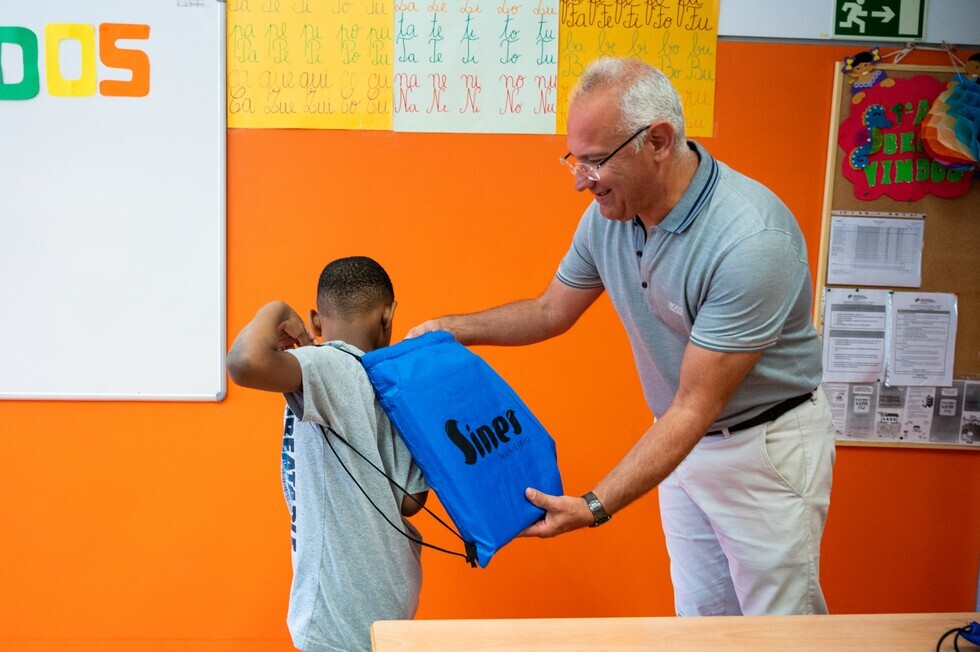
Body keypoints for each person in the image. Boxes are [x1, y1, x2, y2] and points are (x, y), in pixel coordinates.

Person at [407, 57, 836, 617]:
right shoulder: (610, 217)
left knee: (782, 630)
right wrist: (450, 329)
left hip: (764, 449)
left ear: (658, 141)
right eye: (573, 160)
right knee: (701, 622)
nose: (581, 181)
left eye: (595, 161)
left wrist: (592, 506)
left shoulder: (751, 241)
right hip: (682, 445)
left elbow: (693, 406)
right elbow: (548, 311)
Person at [227, 256, 429, 652]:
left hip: (337, 614)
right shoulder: (389, 384)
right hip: (386, 599)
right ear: (388, 317)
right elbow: (410, 502)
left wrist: (275, 310)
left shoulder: (323, 361)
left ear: (316, 322)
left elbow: (244, 361)